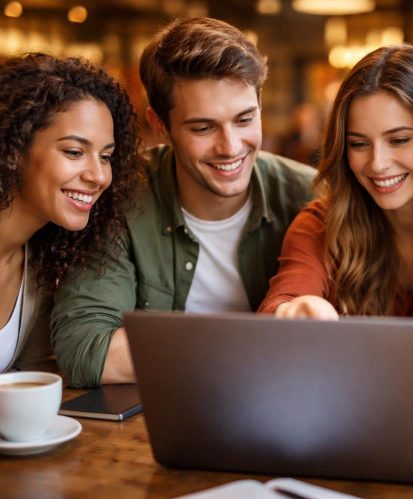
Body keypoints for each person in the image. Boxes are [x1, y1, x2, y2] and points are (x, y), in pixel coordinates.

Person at [51, 17, 315, 387]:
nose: (230, 147)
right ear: (160, 126)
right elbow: (85, 349)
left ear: (260, 104)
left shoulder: (308, 195)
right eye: (203, 128)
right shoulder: (123, 197)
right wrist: (254, 345)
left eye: (244, 119)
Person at [0, 53, 140, 459]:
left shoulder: (43, 257)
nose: (98, 175)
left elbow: (32, 379)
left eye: (106, 156)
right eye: (75, 152)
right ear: (12, 148)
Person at [258, 44, 413, 383]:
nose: (377, 164)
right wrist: (290, 312)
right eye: (359, 144)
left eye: (399, 140)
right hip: (340, 428)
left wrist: (332, 367)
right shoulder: (320, 223)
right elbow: (284, 301)